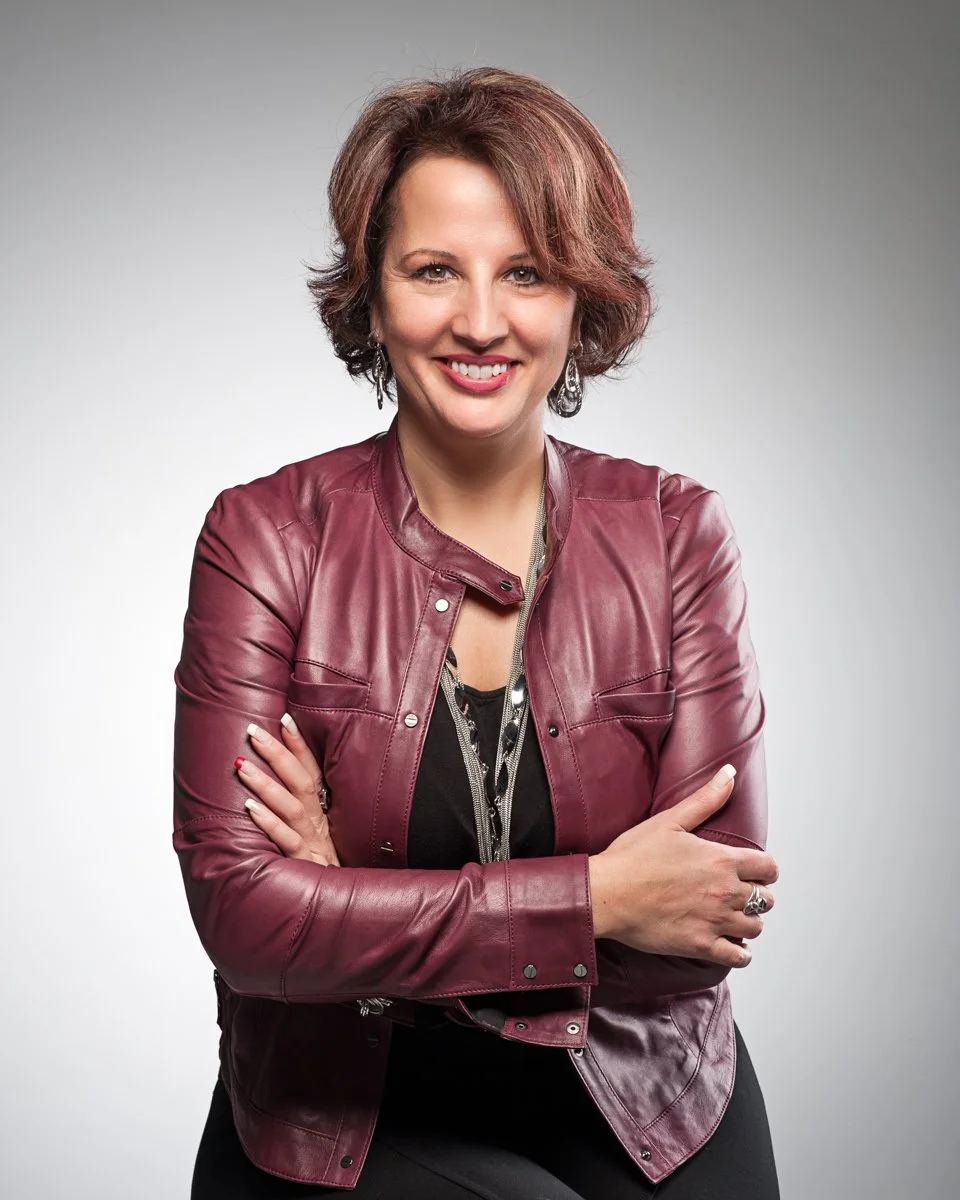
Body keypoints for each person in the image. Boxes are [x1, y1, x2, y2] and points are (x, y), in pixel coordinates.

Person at [174, 66, 781, 1199]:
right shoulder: (264, 537)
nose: (482, 321)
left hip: (648, 1097)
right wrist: (597, 898)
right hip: (340, 1114)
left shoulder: (675, 531)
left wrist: (348, 902)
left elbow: (708, 913)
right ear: (373, 292)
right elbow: (249, 923)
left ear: (580, 298)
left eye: (528, 273)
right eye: (434, 270)